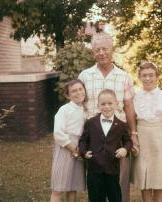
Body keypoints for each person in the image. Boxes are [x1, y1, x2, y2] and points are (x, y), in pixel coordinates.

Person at [78, 32, 139, 202]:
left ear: (112, 50)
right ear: (93, 53)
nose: (101, 53)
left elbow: (129, 106)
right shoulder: (84, 76)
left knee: (119, 185)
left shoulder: (124, 76)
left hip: (117, 136)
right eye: (97, 50)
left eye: (105, 48)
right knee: (96, 185)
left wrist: (133, 134)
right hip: (93, 137)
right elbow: (78, 105)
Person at [131, 62, 162, 202]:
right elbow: (131, 119)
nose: (147, 79)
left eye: (151, 75)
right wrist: (133, 139)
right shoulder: (135, 97)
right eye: (144, 75)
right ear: (140, 77)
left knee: (159, 178)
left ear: (157, 77)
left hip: (159, 137)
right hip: (142, 137)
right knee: (144, 178)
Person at [78, 89, 133, 202]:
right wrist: (83, 152)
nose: (106, 107)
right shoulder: (90, 122)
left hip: (112, 168)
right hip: (94, 168)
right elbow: (83, 140)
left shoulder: (121, 125)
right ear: (98, 105)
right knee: (96, 198)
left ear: (116, 104)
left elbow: (128, 141)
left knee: (115, 197)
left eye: (110, 103)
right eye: (103, 104)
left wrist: (125, 149)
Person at [50, 79, 87, 202]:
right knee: (58, 188)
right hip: (66, 147)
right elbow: (58, 134)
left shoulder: (86, 110)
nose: (78, 93)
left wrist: (81, 150)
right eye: (74, 91)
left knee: (72, 186)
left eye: (80, 89)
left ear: (85, 90)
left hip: (80, 147)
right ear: (68, 95)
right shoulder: (64, 109)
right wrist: (74, 150)